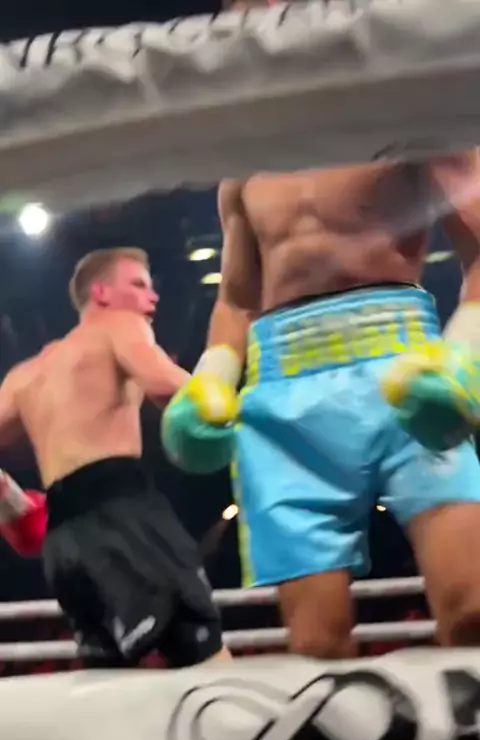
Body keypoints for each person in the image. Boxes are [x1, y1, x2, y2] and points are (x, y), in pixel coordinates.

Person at [162, 149, 480, 659]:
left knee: (472, 612)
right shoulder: (242, 171)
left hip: (404, 375)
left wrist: (462, 355)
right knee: (316, 644)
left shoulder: (411, 129)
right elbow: (238, 300)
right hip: (282, 397)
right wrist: (211, 380)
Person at [0, 247, 230, 668]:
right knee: (207, 663)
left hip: (63, 540)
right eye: (139, 284)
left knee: (114, 679)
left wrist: (16, 508)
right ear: (101, 293)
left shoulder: (25, 374)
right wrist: (236, 409)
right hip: (122, 514)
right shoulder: (119, 324)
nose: (152, 297)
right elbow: (165, 385)